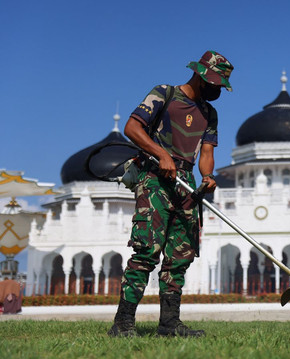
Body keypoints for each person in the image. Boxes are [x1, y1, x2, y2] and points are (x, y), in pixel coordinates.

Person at [108, 50, 234, 337]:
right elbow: (133, 128)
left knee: (180, 255)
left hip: (186, 182)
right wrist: (161, 155)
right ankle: (123, 323)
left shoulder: (210, 113)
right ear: (202, 76)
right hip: (155, 177)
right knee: (147, 250)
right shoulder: (165, 93)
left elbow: (206, 151)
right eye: (215, 84)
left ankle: (169, 324)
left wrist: (208, 176)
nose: (218, 91)